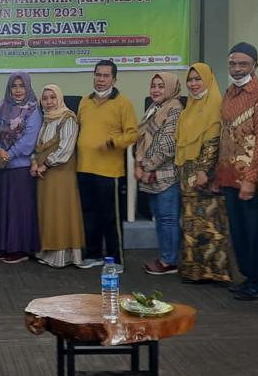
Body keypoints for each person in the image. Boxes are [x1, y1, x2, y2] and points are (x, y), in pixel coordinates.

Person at [218, 42, 258, 301]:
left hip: (251, 178)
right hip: (229, 176)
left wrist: (252, 179)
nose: (237, 68)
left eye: (243, 64)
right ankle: (249, 277)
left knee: (257, 233)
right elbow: (225, 135)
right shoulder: (230, 92)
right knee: (239, 232)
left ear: (255, 65)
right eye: (233, 63)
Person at [76, 60, 138, 268]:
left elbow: (133, 134)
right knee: (89, 214)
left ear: (114, 79)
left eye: (105, 76)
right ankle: (93, 254)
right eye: (97, 75)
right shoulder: (85, 101)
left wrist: (112, 142)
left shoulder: (123, 103)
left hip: (109, 171)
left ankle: (116, 259)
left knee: (110, 217)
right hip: (84, 167)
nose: (100, 79)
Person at [175, 63, 232, 284]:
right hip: (187, 172)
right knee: (191, 222)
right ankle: (194, 270)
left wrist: (203, 170)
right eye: (190, 80)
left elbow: (214, 141)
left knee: (211, 224)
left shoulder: (216, 105)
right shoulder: (189, 107)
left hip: (207, 174)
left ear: (208, 80)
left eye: (198, 79)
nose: (193, 84)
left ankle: (216, 271)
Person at [0, 72, 43, 263]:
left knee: (19, 210)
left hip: (21, 168)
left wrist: (8, 155)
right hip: (3, 166)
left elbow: (29, 142)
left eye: (22, 86)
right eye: (14, 86)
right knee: (5, 208)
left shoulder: (33, 110)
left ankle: (20, 249)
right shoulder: (1, 107)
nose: (18, 90)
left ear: (28, 87)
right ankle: (5, 246)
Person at [31, 84, 83, 268]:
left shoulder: (68, 118)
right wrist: (34, 163)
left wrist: (45, 164)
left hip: (61, 173)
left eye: (53, 98)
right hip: (44, 174)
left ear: (60, 99)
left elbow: (65, 149)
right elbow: (38, 147)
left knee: (61, 211)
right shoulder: (45, 119)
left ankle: (62, 256)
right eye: (45, 98)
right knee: (48, 212)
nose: (49, 102)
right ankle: (47, 252)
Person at [136, 73, 183, 276]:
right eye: (153, 86)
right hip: (151, 173)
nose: (155, 90)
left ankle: (169, 261)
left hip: (166, 174)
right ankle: (165, 256)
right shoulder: (154, 108)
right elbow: (141, 138)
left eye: (161, 86)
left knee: (168, 218)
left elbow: (168, 146)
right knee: (161, 218)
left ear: (171, 88)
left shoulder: (174, 109)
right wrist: (139, 164)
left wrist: (147, 167)